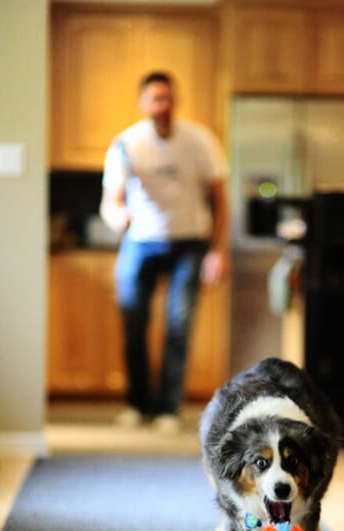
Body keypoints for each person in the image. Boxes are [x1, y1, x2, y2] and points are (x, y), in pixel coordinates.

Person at [100, 71, 230, 434]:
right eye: (155, 99)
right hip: (140, 241)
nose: (162, 105)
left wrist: (218, 252)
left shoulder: (200, 141)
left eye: (167, 98)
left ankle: (168, 408)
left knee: (178, 326)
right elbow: (110, 202)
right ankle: (136, 404)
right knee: (133, 323)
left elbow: (220, 201)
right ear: (143, 103)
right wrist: (117, 216)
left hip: (190, 242)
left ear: (176, 101)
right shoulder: (126, 144)